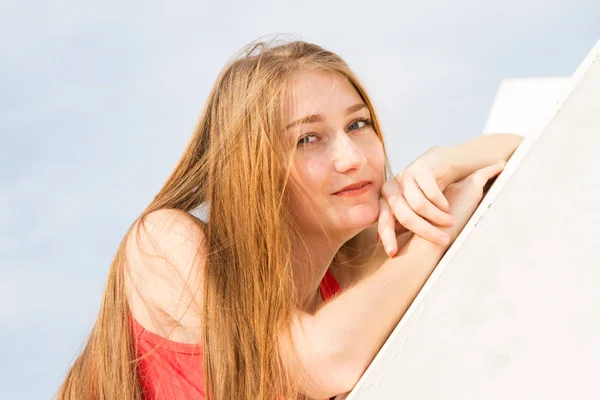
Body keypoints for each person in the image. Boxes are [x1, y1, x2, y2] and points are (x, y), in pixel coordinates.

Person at [57, 39, 522, 400]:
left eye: (358, 125)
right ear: (253, 168)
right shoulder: (161, 244)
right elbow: (324, 363)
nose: (351, 157)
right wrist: (442, 224)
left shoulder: (354, 271)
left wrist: (442, 163)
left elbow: (533, 147)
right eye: (308, 139)